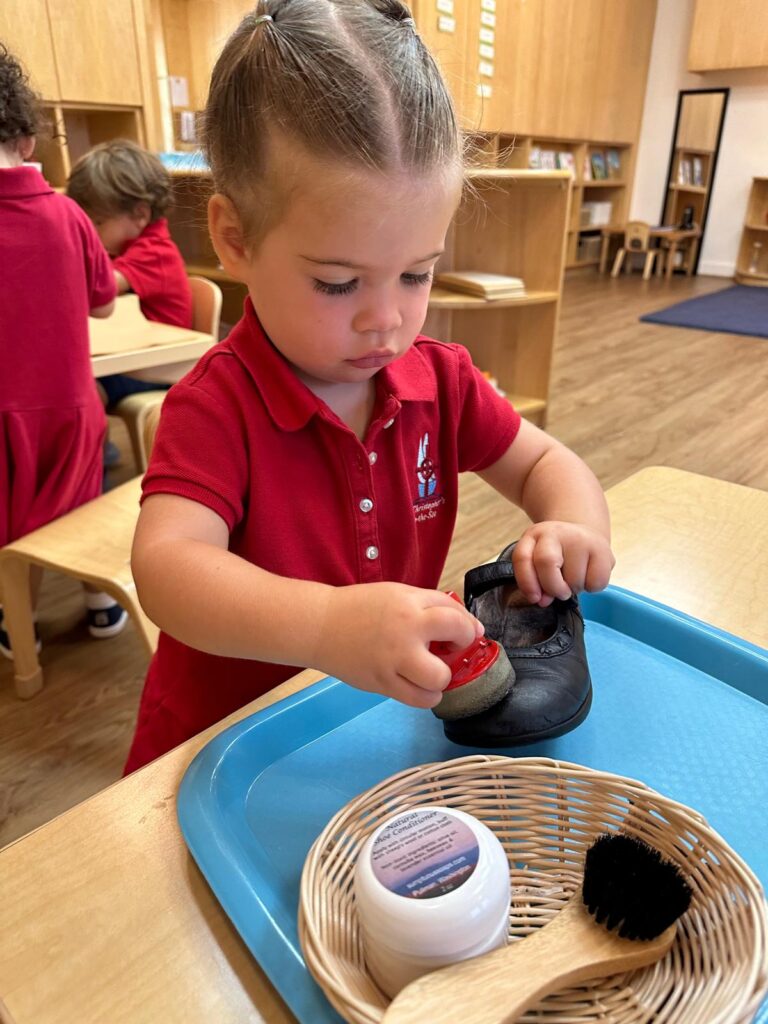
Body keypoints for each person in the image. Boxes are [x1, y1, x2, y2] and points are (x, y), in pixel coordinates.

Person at [124, 0, 615, 772]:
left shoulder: (440, 380)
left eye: (416, 274)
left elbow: (546, 463)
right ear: (234, 238)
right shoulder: (216, 406)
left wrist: (572, 526)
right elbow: (168, 570)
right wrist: (324, 625)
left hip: (369, 729)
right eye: (338, 282)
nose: (386, 321)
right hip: (224, 753)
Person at [0, 43, 127, 655]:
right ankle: (100, 602)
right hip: (70, 406)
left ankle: (14, 621)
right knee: (79, 509)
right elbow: (103, 304)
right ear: (27, 141)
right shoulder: (69, 215)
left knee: (8, 531)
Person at [66, 139, 193, 414]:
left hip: (158, 368)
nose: (91, 234)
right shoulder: (125, 248)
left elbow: (101, 288)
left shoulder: (155, 252)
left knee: (81, 388)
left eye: (97, 223)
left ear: (140, 215)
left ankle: (96, 441)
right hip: (129, 359)